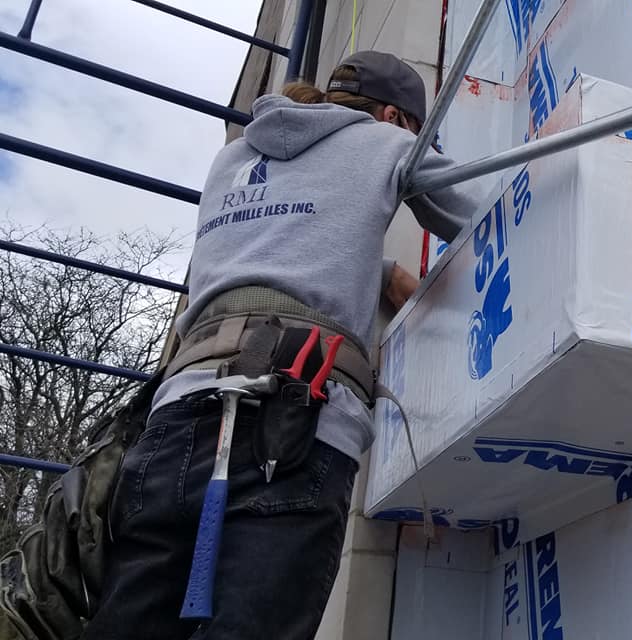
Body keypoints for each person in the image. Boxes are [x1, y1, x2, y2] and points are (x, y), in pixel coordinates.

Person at [82, 51, 476, 639]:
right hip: (293, 420)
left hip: (174, 423)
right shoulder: (387, 142)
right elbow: (485, 207)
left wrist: (378, 270)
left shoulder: (232, 158)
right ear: (395, 115)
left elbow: (270, 243)